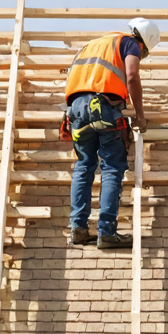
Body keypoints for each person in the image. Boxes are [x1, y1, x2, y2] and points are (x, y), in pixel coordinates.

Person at [63, 18, 161, 249]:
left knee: (84, 165)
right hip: (103, 107)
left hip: (75, 110)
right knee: (112, 167)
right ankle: (106, 233)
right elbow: (132, 77)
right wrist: (139, 115)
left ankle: (78, 229)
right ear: (144, 43)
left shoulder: (90, 46)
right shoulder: (129, 44)